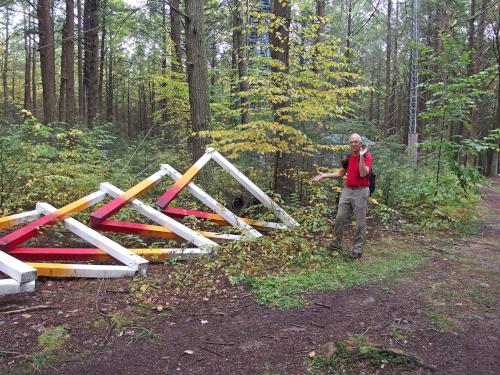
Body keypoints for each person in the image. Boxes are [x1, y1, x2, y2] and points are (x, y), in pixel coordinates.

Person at [312, 133, 372, 259]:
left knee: (360, 222)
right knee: (339, 217)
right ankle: (336, 244)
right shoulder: (348, 158)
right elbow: (340, 173)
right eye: (351, 142)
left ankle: (357, 250)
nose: (354, 144)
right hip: (347, 190)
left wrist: (361, 157)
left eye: (356, 141)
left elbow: (362, 174)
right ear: (349, 144)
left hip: (361, 191)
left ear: (360, 143)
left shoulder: (367, 157)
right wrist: (324, 175)